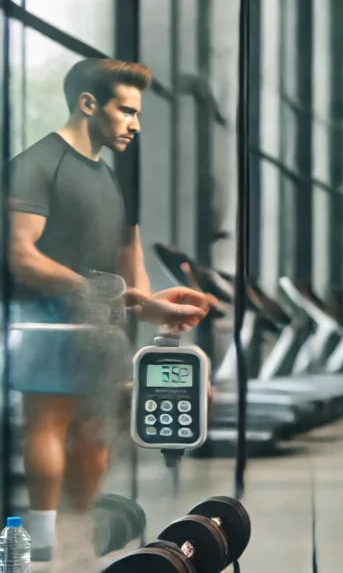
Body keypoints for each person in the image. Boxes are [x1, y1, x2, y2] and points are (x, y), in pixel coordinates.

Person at [6, 58, 210, 569]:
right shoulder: (36, 163)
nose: (135, 123)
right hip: (52, 317)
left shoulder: (112, 179)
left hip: (102, 326)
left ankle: (75, 535)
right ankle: (42, 529)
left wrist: (152, 307)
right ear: (88, 103)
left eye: (137, 113)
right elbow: (20, 254)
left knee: (97, 433)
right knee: (50, 421)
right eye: (126, 110)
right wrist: (95, 293)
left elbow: (129, 261)